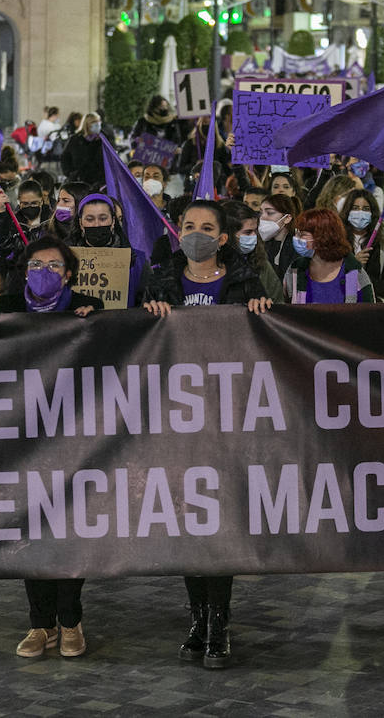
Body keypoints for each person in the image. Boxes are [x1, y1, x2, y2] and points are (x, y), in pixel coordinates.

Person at [142, 200, 272, 669]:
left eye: (206, 228)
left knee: (222, 526)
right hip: (175, 422)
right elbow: (138, 342)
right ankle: (198, 619)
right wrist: (149, 312)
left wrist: (260, 311)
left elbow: (265, 338)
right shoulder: (159, 280)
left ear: (222, 238)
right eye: (188, 226)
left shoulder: (243, 281)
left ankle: (220, 623)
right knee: (189, 525)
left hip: (229, 421)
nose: (195, 233)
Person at [0, 237, 101, 658]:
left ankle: (70, 620)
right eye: (35, 263)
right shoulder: (7, 305)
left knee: (68, 529)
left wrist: (96, 322)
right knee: (29, 528)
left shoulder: (87, 304)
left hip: (73, 437)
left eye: (53, 265)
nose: (43, 271)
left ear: (68, 273)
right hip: (21, 438)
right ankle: (39, 623)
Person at [283, 207, 375, 303]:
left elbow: (369, 313)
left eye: (303, 234)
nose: (296, 238)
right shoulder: (295, 270)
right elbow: (281, 307)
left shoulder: (355, 272)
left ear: (322, 237)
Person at [222, 200, 285, 302]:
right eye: (248, 232)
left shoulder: (261, 264)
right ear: (227, 235)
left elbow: (278, 302)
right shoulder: (213, 266)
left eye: (255, 231)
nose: (254, 236)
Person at [338, 188, 384, 285]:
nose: (360, 212)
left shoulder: (382, 246)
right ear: (347, 211)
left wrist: (364, 284)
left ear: (373, 213)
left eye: (365, 209)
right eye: (355, 208)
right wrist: (352, 264)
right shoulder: (337, 242)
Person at [257, 193, 299, 277]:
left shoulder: (297, 247)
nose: (262, 217)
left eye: (270, 213)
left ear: (287, 218)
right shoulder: (258, 241)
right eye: (261, 212)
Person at [60, 112, 107, 185]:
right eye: (94, 122)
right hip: (79, 179)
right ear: (87, 124)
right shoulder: (75, 140)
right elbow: (65, 157)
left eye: (99, 122)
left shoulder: (103, 140)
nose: (98, 125)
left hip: (99, 180)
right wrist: (70, 173)